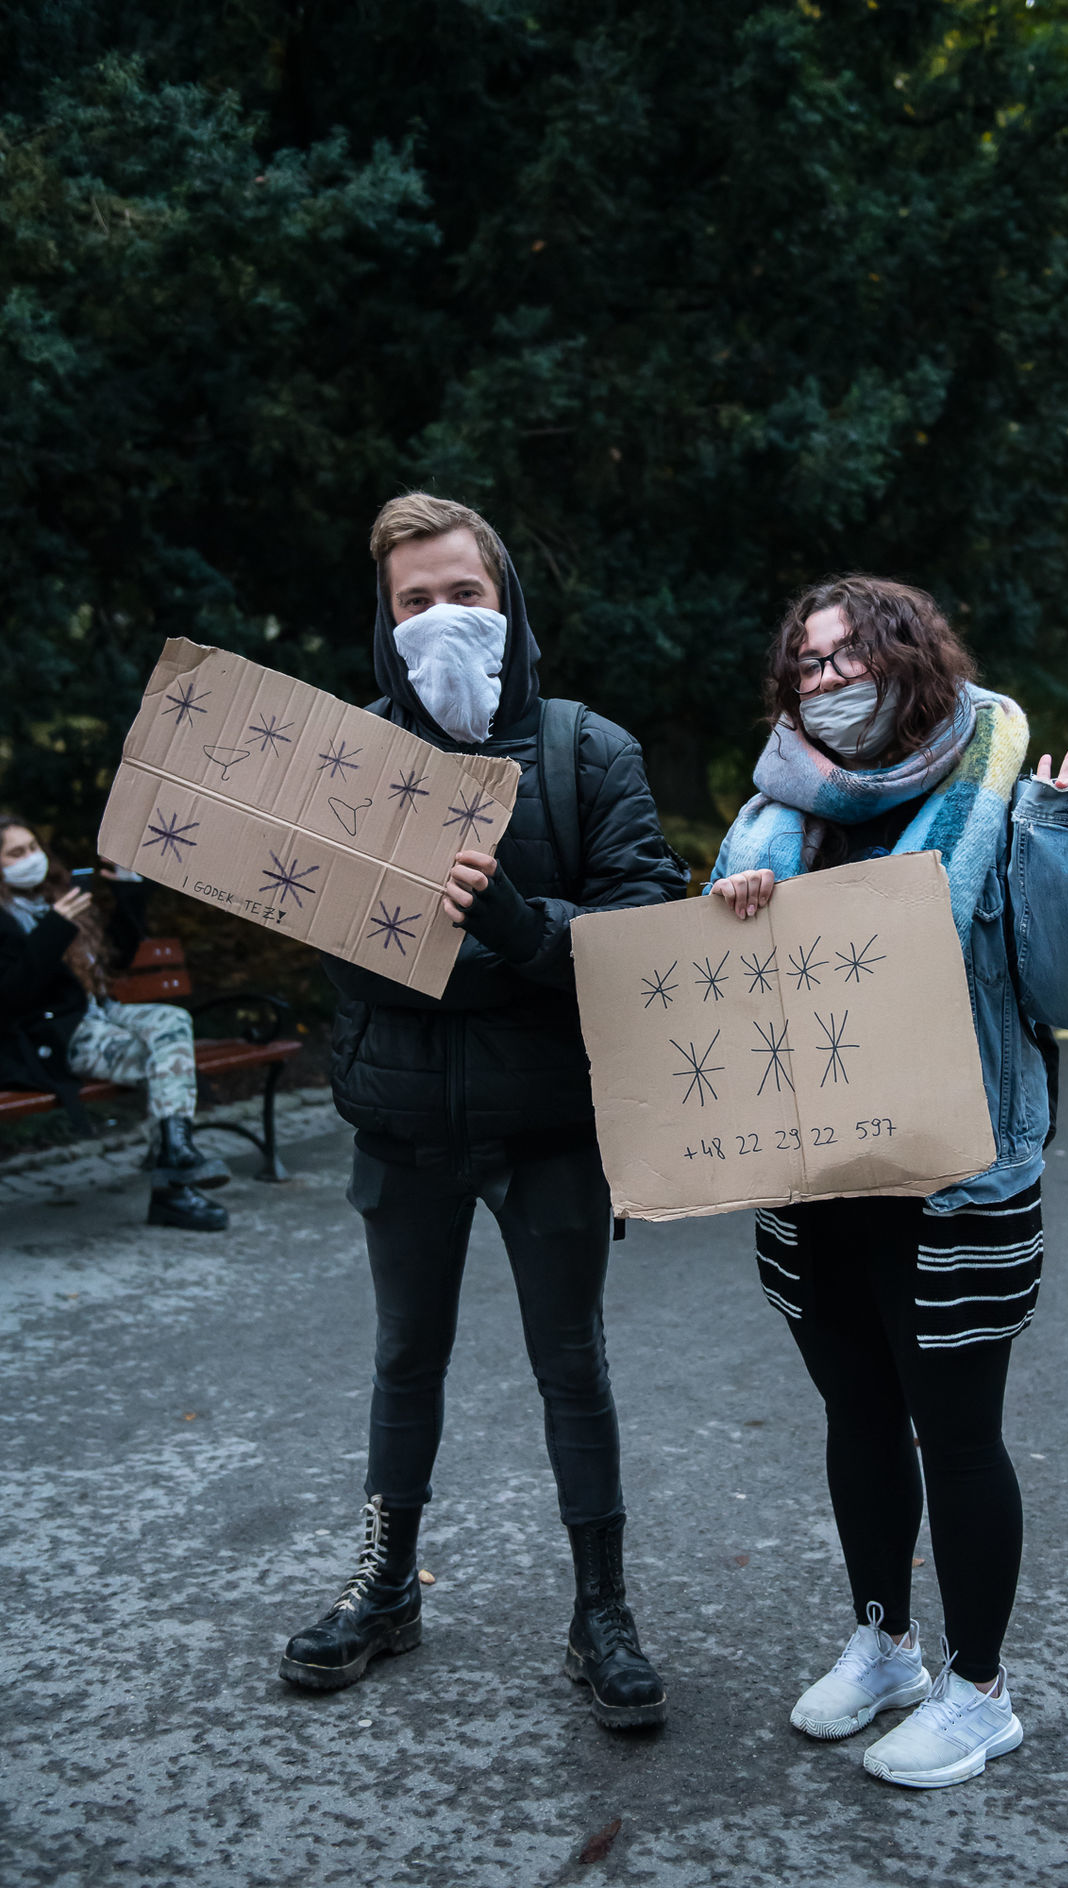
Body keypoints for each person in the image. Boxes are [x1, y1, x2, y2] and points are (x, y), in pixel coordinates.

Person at [279, 493, 689, 1728]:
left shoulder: (587, 752)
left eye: (464, 594)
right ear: (383, 622)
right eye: (415, 602)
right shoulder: (342, 756)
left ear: (507, 601)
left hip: (552, 1126)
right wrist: (504, 967)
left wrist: (514, 925)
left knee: (573, 1363)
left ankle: (601, 1607)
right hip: (401, 1124)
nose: (441, 620)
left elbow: (640, 926)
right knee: (406, 1357)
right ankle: (387, 1582)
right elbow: (330, 939)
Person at [706, 574, 1068, 1789]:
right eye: (809, 662)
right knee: (856, 1416)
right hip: (816, 1178)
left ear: (910, 656)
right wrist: (729, 910)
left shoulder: (1000, 782)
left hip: (958, 1176)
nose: (827, 679)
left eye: (850, 655)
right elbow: (728, 990)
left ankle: (980, 1688)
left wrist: (1060, 838)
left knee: (958, 1432)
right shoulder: (768, 809)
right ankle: (884, 1642)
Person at [0, 815, 230, 1230]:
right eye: (16, 853)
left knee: (172, 1018)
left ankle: (175, 1155)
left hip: (102, 1013)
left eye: (33, 848)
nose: (30, 859)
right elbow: (12, 998)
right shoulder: (14, 918)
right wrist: (53, 928)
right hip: (53, 1036)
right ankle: (173, 1188)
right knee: (168, 1065)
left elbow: (118, 958)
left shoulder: (58, 895)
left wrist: (128, 890)